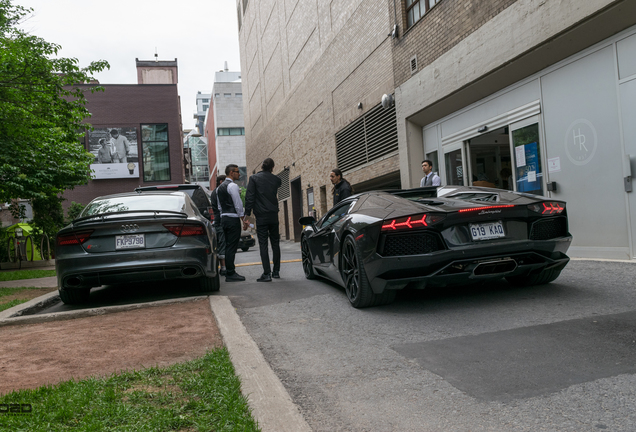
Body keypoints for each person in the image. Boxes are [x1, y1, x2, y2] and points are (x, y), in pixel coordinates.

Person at [244, 158, 282, 282]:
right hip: (273, 215)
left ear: (262, 166)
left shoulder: (254, 179)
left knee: (263, 244)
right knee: (275, 242)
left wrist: (247, 217)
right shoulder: (276, 180)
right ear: (272, 167)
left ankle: (267, 273)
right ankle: (276, 271)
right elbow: (277, 183)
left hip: (261, 215)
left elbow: (249, 198)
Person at [216, 164, 246, 282]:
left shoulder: (219, 188)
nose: (239, 174)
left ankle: (229, 272)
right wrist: (244, 219)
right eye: (238, 172)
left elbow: (219, 206)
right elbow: (238, 205)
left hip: (224, 218)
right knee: (231, 247)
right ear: (231, 173)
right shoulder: (233, 186)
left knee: (228, 245)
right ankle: (230, 273)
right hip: (233, 219)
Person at [209, 174, 227, 276]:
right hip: (220, 221)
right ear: (221, 182)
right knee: (223, 244)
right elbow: (220, 208)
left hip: (217, 221)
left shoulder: (214, 192)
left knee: (221, 244)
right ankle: (224, 268)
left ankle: (224, 267)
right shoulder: (219, 192)